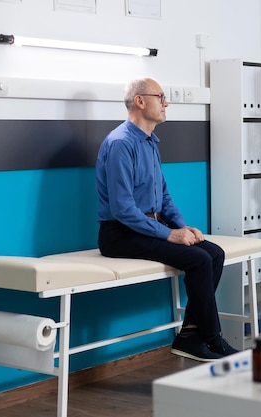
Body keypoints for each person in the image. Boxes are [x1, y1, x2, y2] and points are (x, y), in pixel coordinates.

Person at [95, 77, 237, 362]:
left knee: (214, 253)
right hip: (119, 233)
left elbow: (164, 198)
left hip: (145, 227)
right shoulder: (121, 144)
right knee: (199, 260)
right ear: (140, 101)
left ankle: (189, 337)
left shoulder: (149, 143)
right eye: (161, 97)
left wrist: (182, 227)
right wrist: (169, 235)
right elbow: (123, 209)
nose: (166, 103)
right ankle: (211, 336)